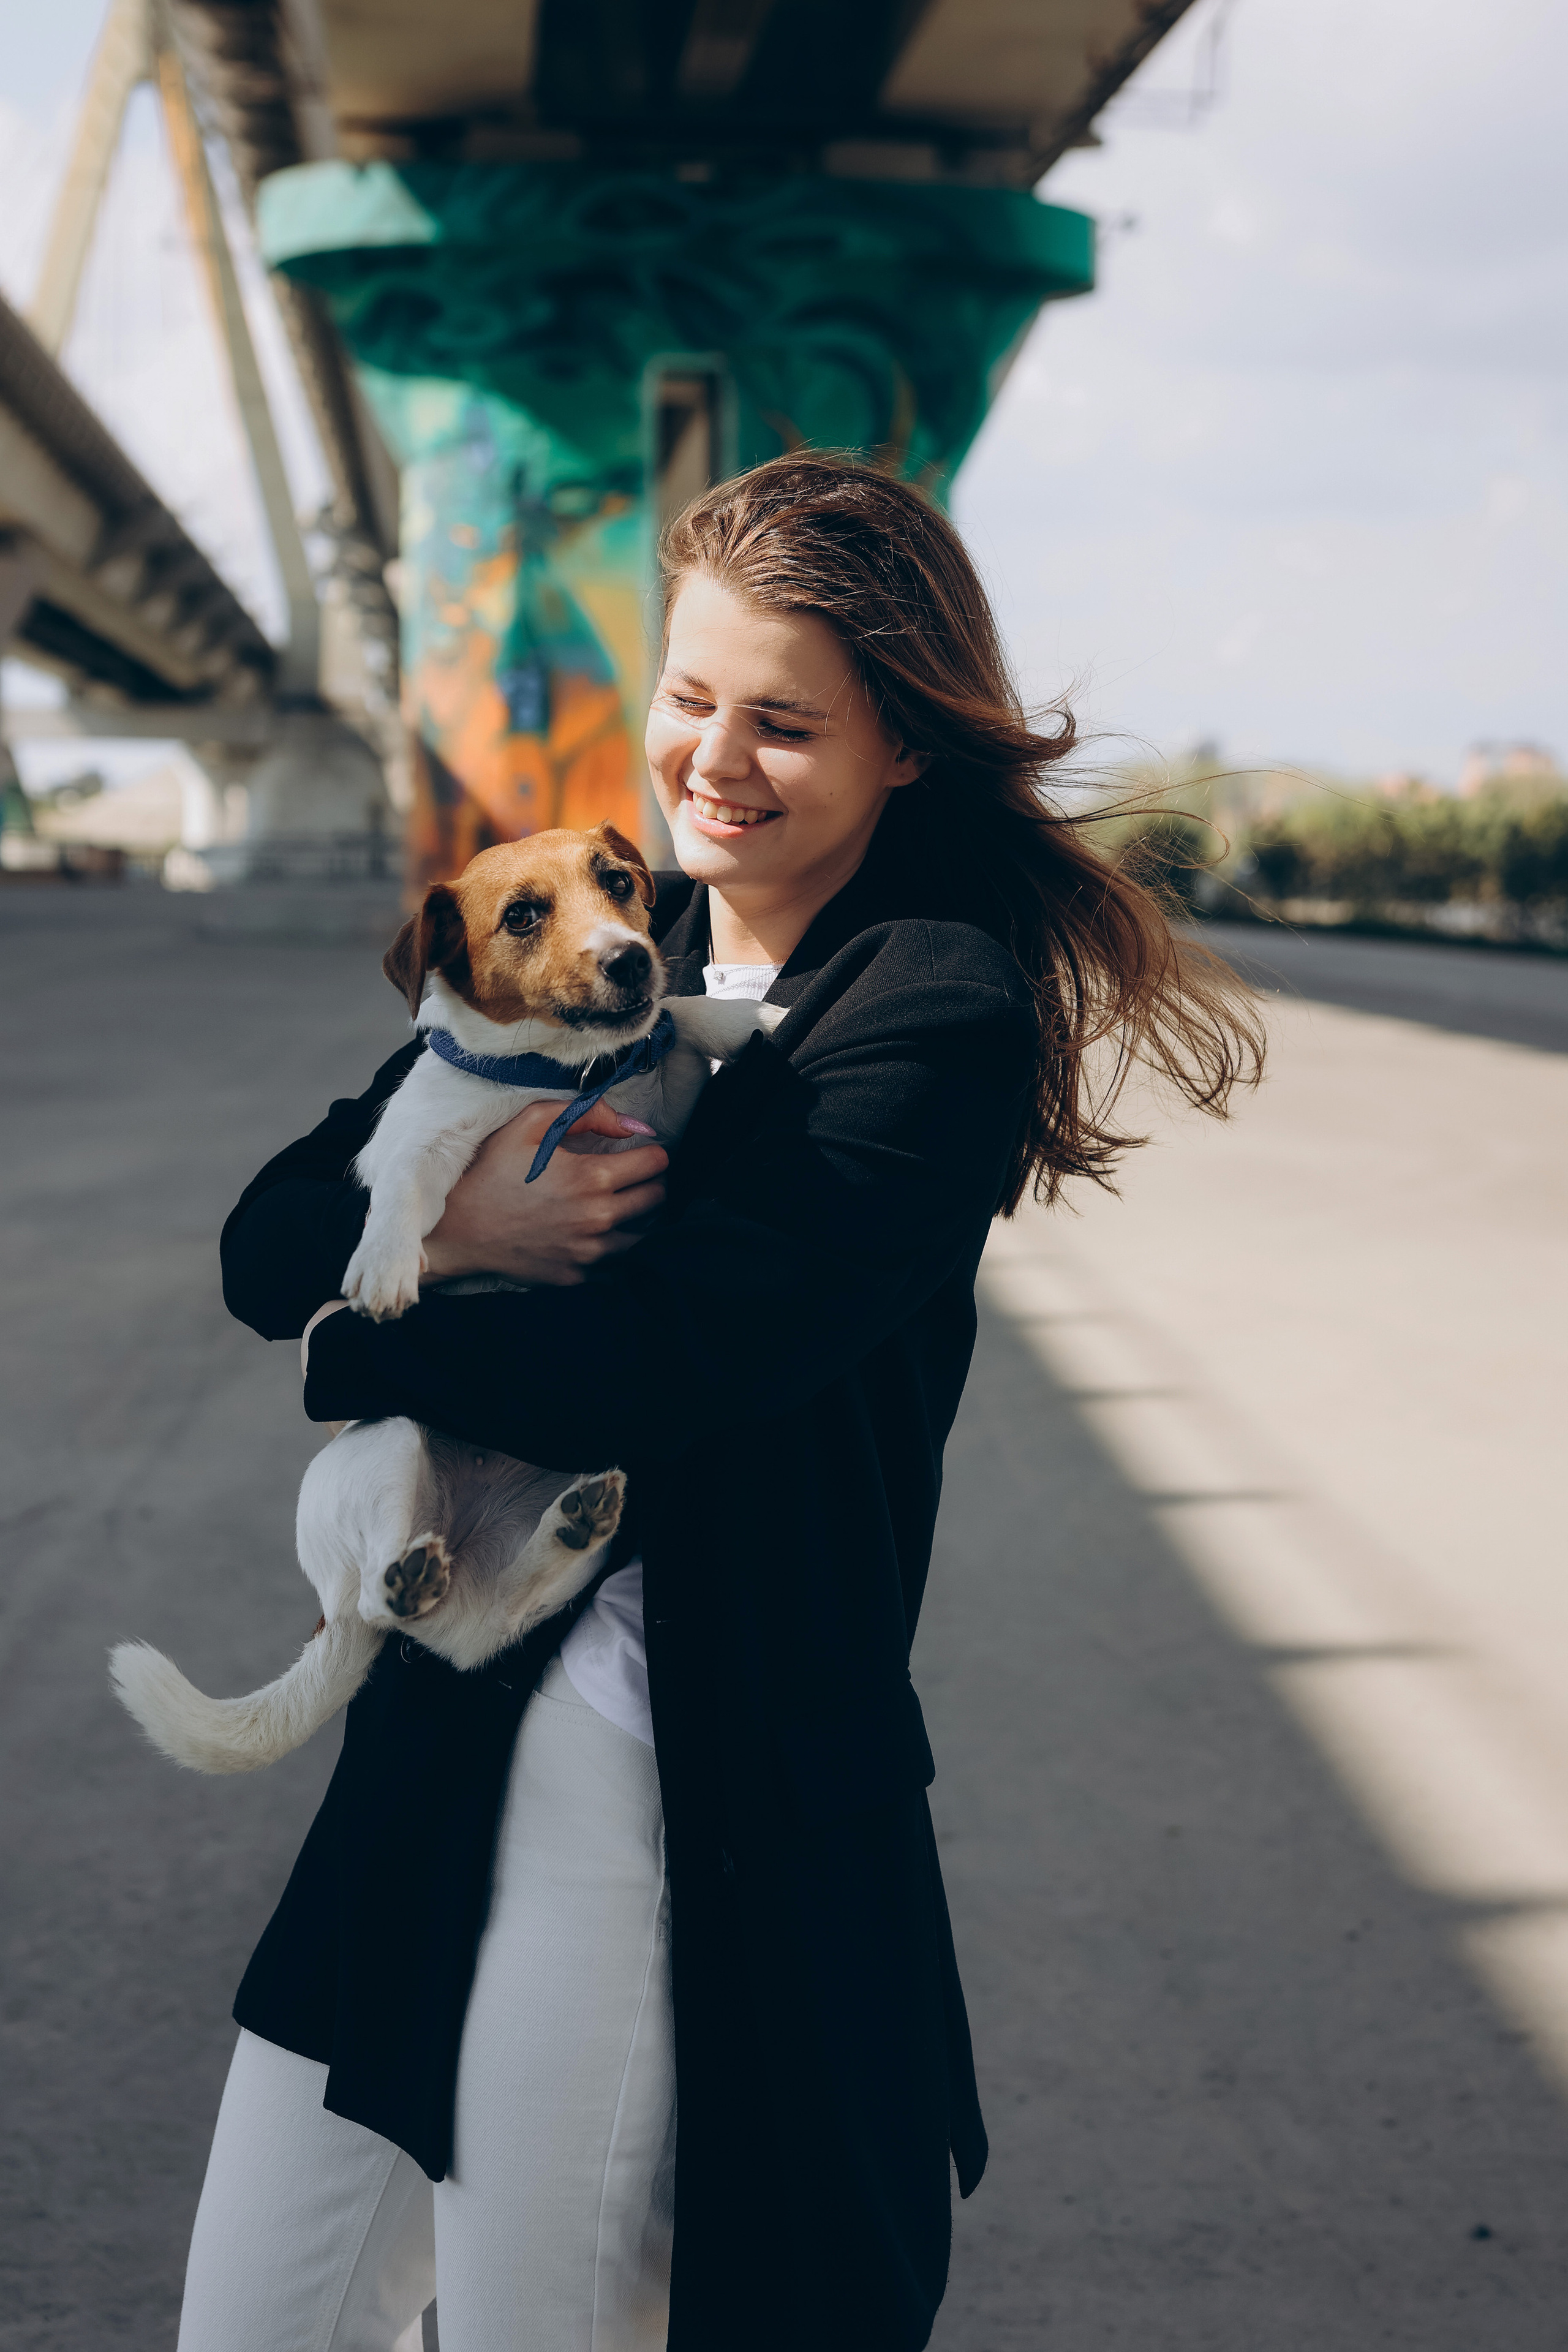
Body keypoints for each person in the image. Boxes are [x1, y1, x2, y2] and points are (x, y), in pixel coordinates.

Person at [178, 452, 1264, 2352]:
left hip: (672, 1790)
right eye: (691, 698)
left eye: (785, 722)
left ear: (903, 750)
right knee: (255, 2321)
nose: (713, 760)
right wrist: (474, 1231)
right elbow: (275, 1234)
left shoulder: (931, 1010)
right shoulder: (605, 931)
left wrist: (378, 1328)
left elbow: (651, 1369)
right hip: (434, 1757)